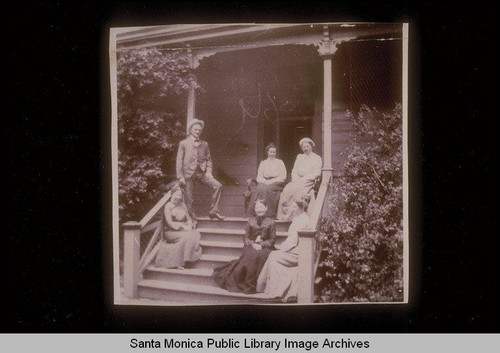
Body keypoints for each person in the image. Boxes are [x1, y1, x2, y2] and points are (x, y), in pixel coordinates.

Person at [212, 200, 276, 294]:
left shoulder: (271, 222)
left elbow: (272, 240)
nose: (259, 210)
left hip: (265, 247)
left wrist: (261, 245)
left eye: (261, 207)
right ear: (254, 209)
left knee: (260, 256)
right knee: (251, 256)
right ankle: (245, 283)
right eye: (257, 208)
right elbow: (245, 238)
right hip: (251, 245)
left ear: (266, 208)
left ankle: (256, 285)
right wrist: (253, 244)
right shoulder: (251, 222)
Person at [256, 194, 310, 301]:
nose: (292, 209)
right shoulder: (302, 217)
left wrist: (281, 248)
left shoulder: (301, 221)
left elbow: (292, 242)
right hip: (300, 249)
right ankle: (266, 287)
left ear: (301, 208)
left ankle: (273, 290)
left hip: (299, 252)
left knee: (273, 256)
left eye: (294, 207)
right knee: (273, 255)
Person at [176, 119, 225, 220]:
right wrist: (180, 176)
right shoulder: (183, 143)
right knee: (189, 198)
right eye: (195, 130)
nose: (198, 131)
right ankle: (192, 219)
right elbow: (179, 161)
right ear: (190, 130)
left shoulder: (204, 144)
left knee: (218, 186)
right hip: (188, 174)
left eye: (199, 130)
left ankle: (214, 211)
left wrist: (209, 172)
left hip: (200, 173)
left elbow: (209, 159)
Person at [154, 187, 202, 269]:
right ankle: (177, 262)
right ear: (172, 194)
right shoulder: (168, 206)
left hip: (185, 229)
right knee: (187, 237)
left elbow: (188, 218)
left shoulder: (183, 205)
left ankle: (188, 258)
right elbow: (169, 223)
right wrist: (183, 227)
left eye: (180, 195)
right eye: (177, 194)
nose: (178, 197)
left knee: (196, 233)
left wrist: (190, 225)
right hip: (172, 231)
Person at [277, 137, 322, 221]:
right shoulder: (299, 157)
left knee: (299, 191)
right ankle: (286, 214)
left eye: (307, 146)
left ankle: (295, 216)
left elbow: (317, 173)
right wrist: (296, 178)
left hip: (309, 180)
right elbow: (294, 170)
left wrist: (306, 178)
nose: (305, 148)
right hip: (298, 180)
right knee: (287, 189)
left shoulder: (317, 158)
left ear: (311, 147)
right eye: (303, 147)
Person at [245, 143, 287, 219]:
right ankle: (257, 212)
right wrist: (264, 181)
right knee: (258, 189)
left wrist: (271, 181)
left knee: (267, 190)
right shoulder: (263, 163)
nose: (272, 154)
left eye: (274, 152)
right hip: (264, 181)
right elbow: (259, 176)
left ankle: (268, 214)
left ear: (276, 153)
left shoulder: (280, 162)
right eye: (270, 152)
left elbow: (283, 176)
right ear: (267, 152)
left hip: (277, 183)